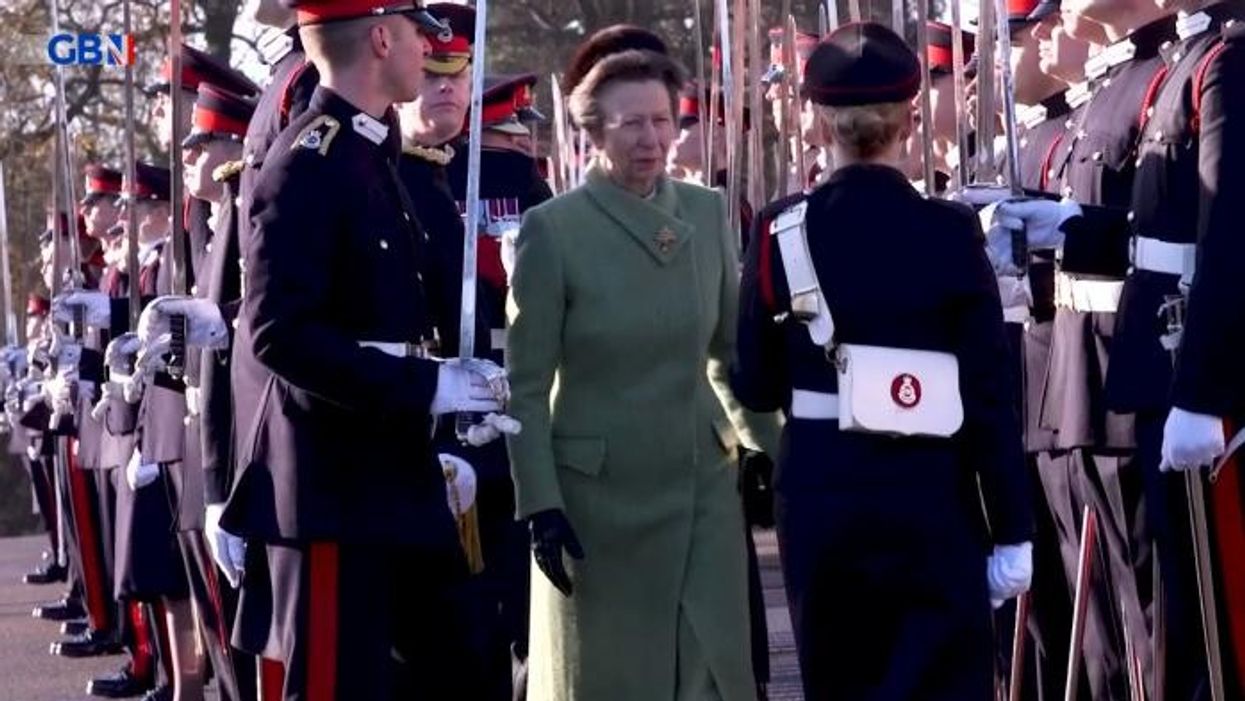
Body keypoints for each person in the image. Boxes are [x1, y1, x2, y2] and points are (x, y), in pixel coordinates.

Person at [732, 22, 1033, 700]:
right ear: (911, 118)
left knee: (839, 679)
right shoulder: (950, 231)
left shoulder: (778, 230)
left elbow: (752, 380)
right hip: (932, 490)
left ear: (816, 121)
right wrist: (1012, 528)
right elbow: (989, 396)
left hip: (822, 491)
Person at [222, 1, 506, 697]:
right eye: (418, 34)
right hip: (333, 483)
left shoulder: (373, 152)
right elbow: (280, 334)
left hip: (399, 468)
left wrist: (448, 397)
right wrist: (426, 388)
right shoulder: (307, 162)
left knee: (457, 671)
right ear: (381, 37)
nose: (427, 51)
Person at [990, 0, 1245, 694]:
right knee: (1153, 628)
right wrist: (1071, 224)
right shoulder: (1184, 66)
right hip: (1141, 372)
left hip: (1187, 379)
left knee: (1203, 633)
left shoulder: (1222, 64)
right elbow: (1149, 233)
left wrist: (1203, 392)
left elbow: (1227, 241)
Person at [507, 47, 775, 701]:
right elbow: (526, 383)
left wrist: (765, 444)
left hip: (700, 487)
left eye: (662, 120)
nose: (652, 139)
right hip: (596, 505)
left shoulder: (706, 212)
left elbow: (726, 353)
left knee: (707, 672)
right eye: (631, 123)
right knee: (609, 677)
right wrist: (538, 500)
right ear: (594, 130)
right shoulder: (553, 229)